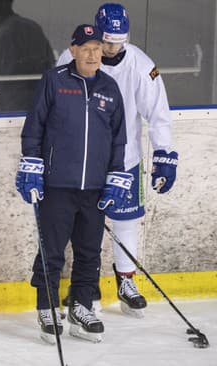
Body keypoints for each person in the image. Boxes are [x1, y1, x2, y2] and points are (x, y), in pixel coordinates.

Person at [56, 3, 178, 318]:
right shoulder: (71, 58)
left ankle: (126, 281)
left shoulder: (141, 65)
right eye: (107, 41)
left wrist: (164, 154)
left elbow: (158, 113)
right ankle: (86, 286)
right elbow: (56, 103)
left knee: (126, 220)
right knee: (82, 225)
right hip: (83, 160)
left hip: (125, 159)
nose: (111, 48)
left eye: (117, 42)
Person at [16, 24, 130, 344]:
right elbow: (34, 126)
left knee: (89, 253)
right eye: (86, 48)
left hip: (94, 188)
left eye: (97, 48)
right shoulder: (54, 81)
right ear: (74, 50)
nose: (93, 54)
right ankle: (48, 307)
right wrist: (32, 164)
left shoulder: (109, 87)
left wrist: (116, 176)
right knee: (52, 251)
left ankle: (81, 307)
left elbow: (118, 138)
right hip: (57, 186)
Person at [0, 0, 54, 111]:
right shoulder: (33, 27)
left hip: (17, 115)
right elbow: (50, 64)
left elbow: (9, 87)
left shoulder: (1, 36)